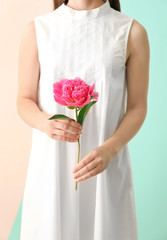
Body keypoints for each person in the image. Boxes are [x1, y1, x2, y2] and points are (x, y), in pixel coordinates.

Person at [17, 0, 150, 239]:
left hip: (105, 167)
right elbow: (24, 99)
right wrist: (44, 123)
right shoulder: (38, 29)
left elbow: (138, 106)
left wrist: (111, 148)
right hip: (51, 167)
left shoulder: (131, 31)